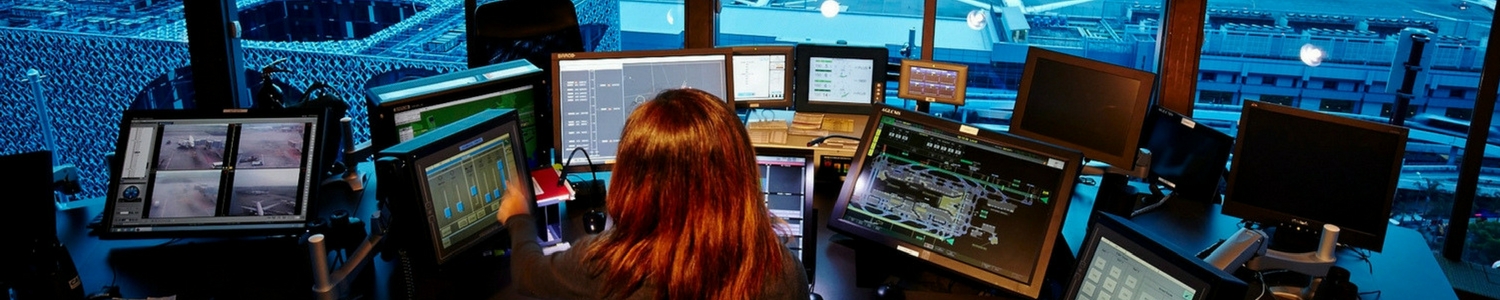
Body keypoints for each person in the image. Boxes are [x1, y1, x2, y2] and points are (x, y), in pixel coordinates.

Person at [497, 88, 810, 299]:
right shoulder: (782, 272)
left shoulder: (607, 267)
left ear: (632, 179)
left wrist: (519, 217)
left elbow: (527, 274)